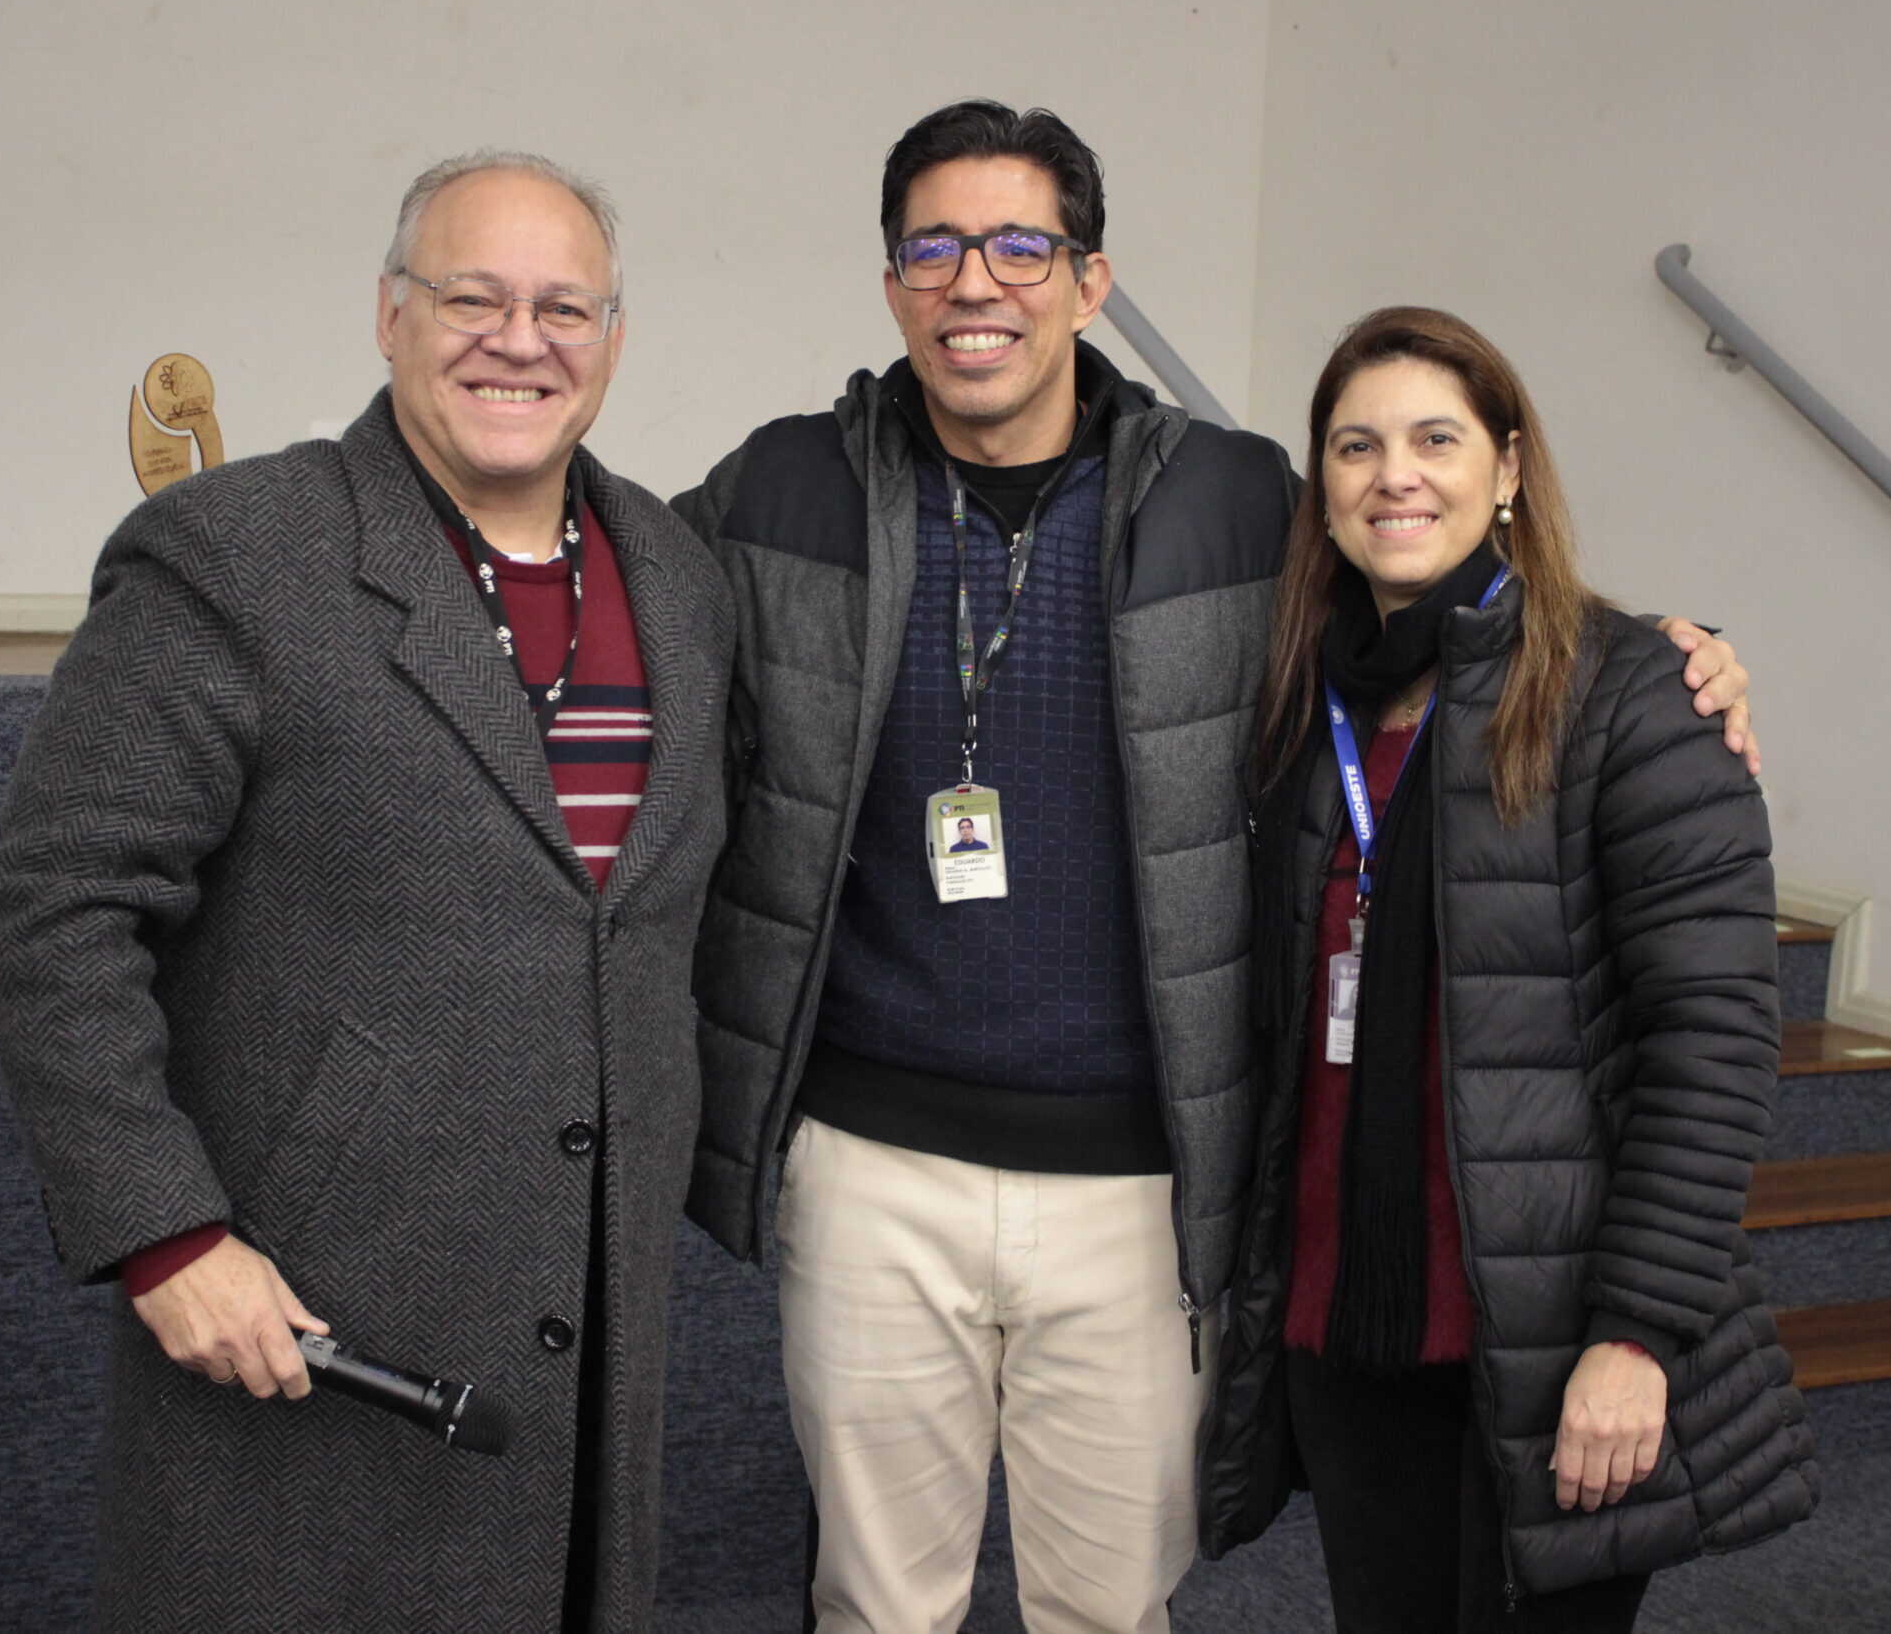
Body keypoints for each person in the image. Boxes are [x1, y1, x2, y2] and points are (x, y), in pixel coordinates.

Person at [677, 101, 1758, 1634]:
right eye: (934, 247)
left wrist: (1661, 652)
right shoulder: (778, 492)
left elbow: (1431, 591)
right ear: (893, 281)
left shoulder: (1234, 501)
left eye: (1020, 245)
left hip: (1146, 1180)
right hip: (870, 1164)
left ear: (1091, 280)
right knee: (873, 1604)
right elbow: (610, 618)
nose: (975, 281)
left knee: (1111, 1609)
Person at [0, 150, 731, 1632]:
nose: (520, 341)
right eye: (472, 298)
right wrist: (166, 1234)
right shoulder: (239, 554)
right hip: (309, 1319)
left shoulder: (680, 580)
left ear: (615, 338)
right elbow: (50, 916)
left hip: (586, 1329)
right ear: (389, 315)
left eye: (565, 308)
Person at [1195, 306, 1817, 1631]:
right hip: (1347, 1316)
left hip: (1547, 1332)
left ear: (1510, 469)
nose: (1395, 476)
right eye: (1356, 446)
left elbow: (1711, 1051)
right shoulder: (1301, 704)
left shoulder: (1631, 697)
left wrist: (1636, 1337)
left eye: (1437, 439)